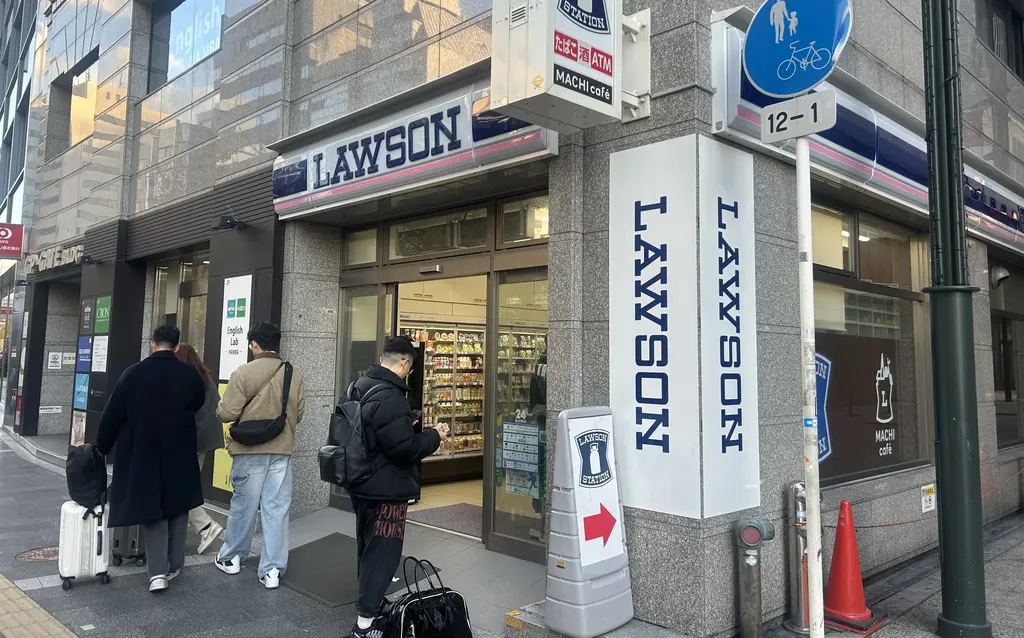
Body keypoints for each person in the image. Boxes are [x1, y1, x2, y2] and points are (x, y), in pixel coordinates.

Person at [347, 336, 448, 637]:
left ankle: (373, 604)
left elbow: (376, 434)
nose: (409, 373)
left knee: (367, 547)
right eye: (410, 368)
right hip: (386, 487)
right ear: (404, 363)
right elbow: (404, 449)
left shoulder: (358, 386)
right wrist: (434, 436)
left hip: (361, 481)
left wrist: (408, 424)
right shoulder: (391, 396)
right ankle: (365, 623)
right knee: (384, 552)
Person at [96, 325, 206, 593]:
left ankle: (157, 573)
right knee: (178, 505)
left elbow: (113, 414)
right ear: (177, 347)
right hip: (179, 451)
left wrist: (102, 445)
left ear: (152, 344)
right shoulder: (189, 374)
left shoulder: (133, 374)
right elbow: (198, 403)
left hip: (143, 453)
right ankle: (175, 564)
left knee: (153, 508)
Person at [214, 321, 306, 590]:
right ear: (276, 343)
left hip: (248, 450)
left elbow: (226, 414)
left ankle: (231, 557)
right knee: (276, 508)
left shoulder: (242, 373)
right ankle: (272, 571)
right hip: (280, 449)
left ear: (254, 344)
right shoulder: (293, 374)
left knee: (244, 505)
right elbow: (298, 414)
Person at [175, 344, 225, 554]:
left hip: (191, 442)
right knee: (184, 488)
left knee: (181, 490)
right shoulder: (205, 378)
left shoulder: (187, 380)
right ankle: (203, 527)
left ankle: (206, 526)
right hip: (203, 442)